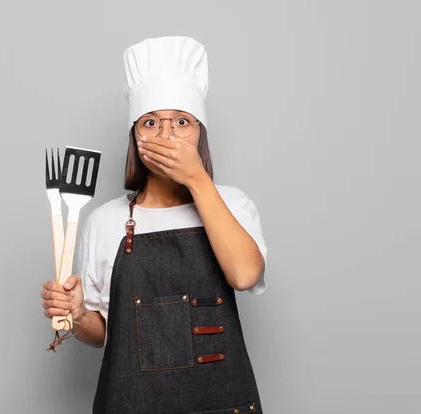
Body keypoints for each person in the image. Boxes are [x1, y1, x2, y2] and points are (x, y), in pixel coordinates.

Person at [40, 36, 267, 413]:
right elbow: (103, 337)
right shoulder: (105, 222)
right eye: (151, 123)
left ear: (200, 134)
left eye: (181, 122)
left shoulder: (232, 204)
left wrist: (197, 180)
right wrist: (79, 314)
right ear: (135, 136)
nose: (166, 136)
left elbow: (244, 275)